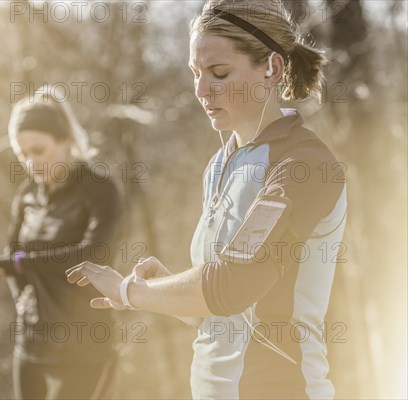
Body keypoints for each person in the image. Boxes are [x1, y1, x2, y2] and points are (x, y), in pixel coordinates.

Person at [65, 1, 347, 399]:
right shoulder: (219, 165)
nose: (201, 90)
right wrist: (167, 288)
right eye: (196, 74)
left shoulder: (306, 166)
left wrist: (131, 291)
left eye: (219, 73)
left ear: (273, 68)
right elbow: (223, 315)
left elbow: (232, 285)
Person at [0, 87, 122, 400]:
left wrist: (20, 264)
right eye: (23, 155)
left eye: (39, 150)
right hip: (32, 343)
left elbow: (93, 255)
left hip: (86, 347)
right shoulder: (27, 196)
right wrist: (22, 297)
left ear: (65, 141)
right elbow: (11, 256)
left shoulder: (98, 188)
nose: (30, 162)